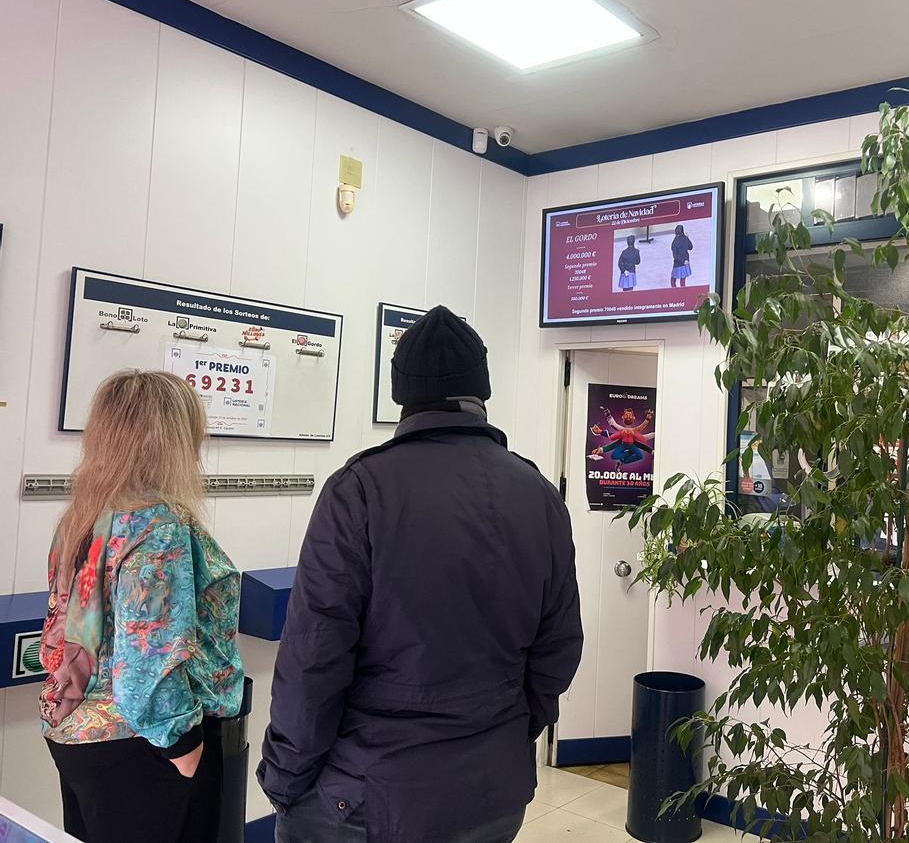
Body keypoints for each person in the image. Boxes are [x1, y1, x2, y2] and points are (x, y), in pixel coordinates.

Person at [259, 306, 583, 843]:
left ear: (401, 392)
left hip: (368, 799)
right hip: (493, 792)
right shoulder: (539, 494)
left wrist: (284, 775)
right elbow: (560, 646)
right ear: (482, 389)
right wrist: (507, 733)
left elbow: (313, 657)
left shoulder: (359, 490)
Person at [39, 370, 244, 843]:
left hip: (75, 730)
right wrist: (183, 746)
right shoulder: (159, 527)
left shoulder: (84, 517)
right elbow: (149, 656)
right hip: (143, 745)